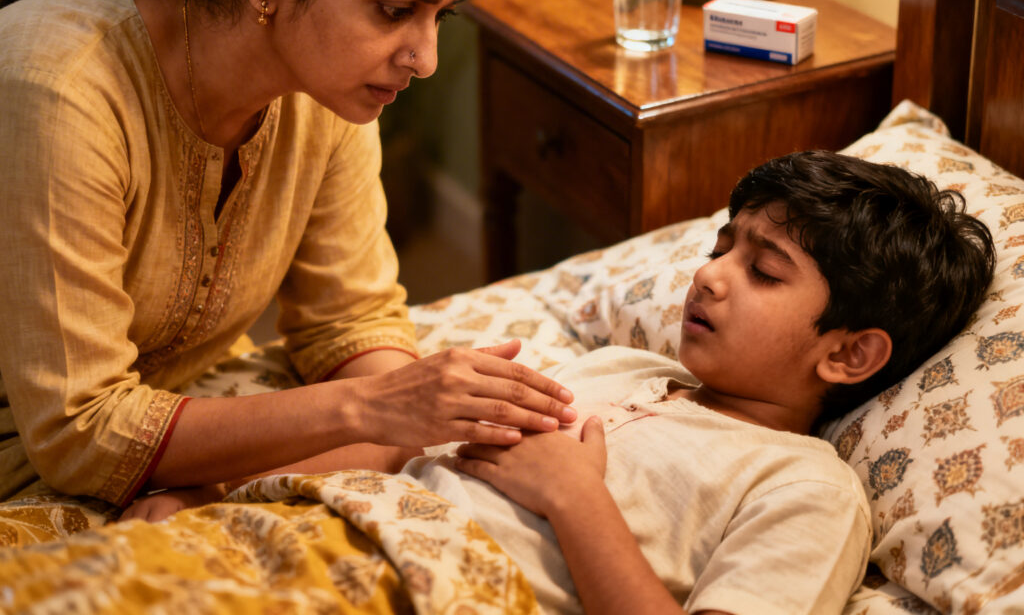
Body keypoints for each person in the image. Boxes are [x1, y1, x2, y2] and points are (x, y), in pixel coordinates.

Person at [122, 150, 996, 614]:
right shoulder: (627, 368)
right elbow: (403, 440)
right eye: (722, 244)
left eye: (764, 270)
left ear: (848, 355)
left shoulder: (807, 488)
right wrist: (225, 498)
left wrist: (578, 502)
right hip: (310, 535)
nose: (711, 275)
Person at [0, 0, 578, 514]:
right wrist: (371, 408)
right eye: (394, 11)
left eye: (439, 15)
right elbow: (77, 430)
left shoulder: (325, 86)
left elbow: (349, 320)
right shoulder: (62, 92)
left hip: (174, 417)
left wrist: (419, 418)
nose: (425, 59)